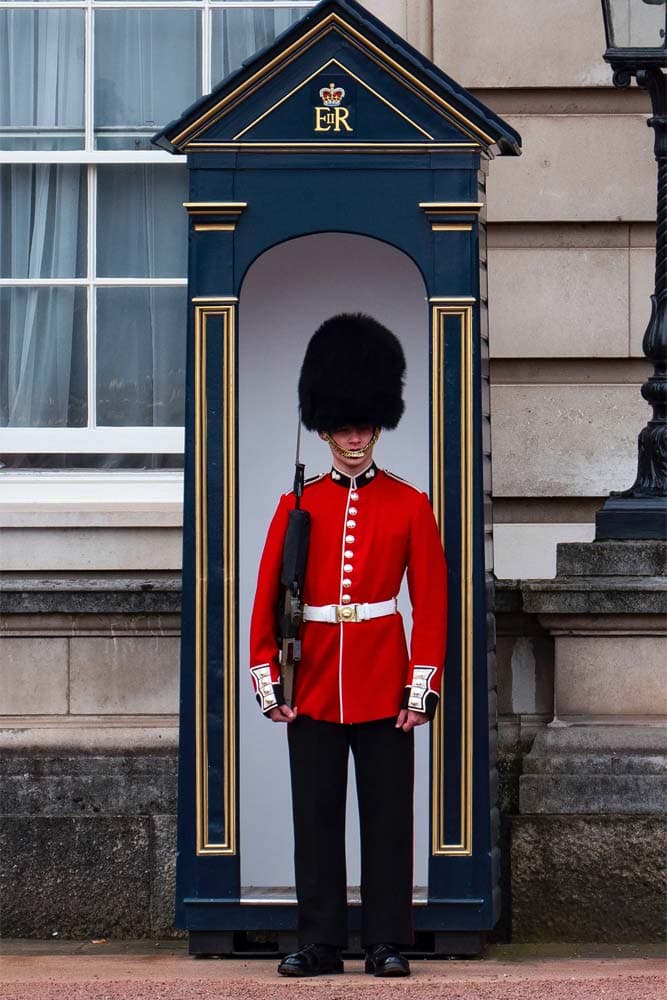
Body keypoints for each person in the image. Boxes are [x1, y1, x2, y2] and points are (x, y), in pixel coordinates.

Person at [249, 313, 448, 978]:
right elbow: (267, 601)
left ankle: (388, 940)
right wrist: (268, 684)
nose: (354, 437)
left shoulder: (408, 504)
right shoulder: (295, 504)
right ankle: (321, 941)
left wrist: (419, 689)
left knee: (389, 821)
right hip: (311, 682)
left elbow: (432, 605)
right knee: (316, 821)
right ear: (325, 427)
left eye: (363, 425)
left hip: (383, 678)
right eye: (343, 426)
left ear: (376, 423)